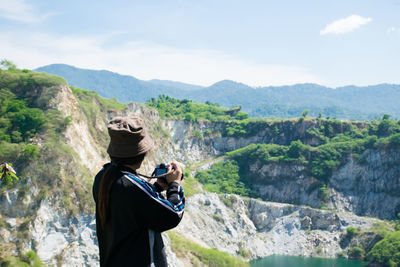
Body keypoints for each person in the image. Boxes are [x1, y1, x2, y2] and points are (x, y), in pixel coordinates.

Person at [92, 116, 185, 267]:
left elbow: (130, 207)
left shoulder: (103, 176)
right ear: (142, 154)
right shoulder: (132, 186)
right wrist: (175, 184)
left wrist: (156, 188)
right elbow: (173, 214)